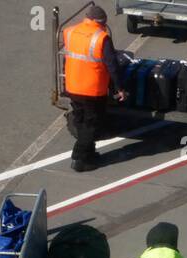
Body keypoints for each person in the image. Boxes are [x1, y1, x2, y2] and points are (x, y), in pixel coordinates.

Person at [62, 6, 128, 172]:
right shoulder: (101, 37)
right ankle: (78, 158)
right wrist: (119, 88)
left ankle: (89, 154)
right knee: (93, 125)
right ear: (102, 22)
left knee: (80, 120)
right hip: (92, 89)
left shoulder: (70, 31)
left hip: (73, 85)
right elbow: (112, 65)